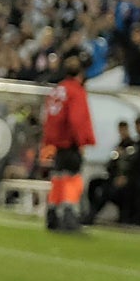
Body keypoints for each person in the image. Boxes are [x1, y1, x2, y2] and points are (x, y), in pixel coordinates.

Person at [40, 54, 96, 232]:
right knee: (73, 178)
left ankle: (52, 214)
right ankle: (69, 215)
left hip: (55, 143)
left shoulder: (58, 90)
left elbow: (49, 117)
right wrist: (81, 142)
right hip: (69, 143)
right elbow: (76, 120)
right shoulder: (76, 91)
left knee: (57, 178)